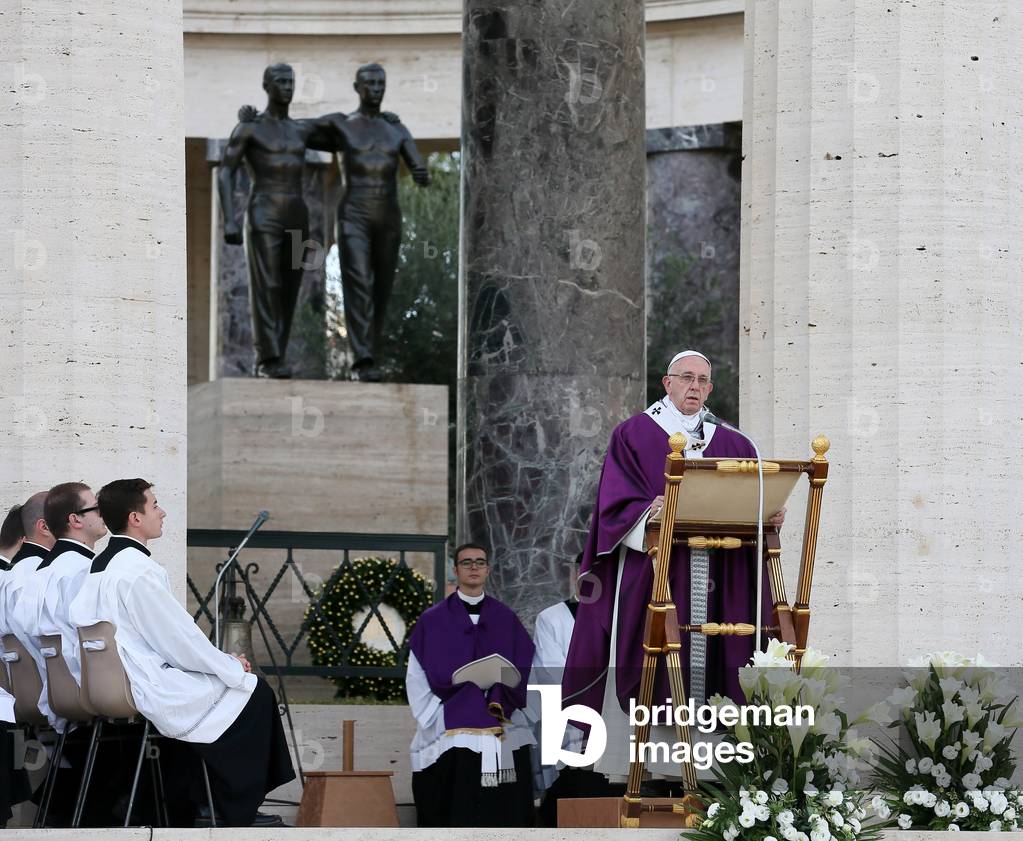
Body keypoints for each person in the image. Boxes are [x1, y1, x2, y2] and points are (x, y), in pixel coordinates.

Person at [562, 350, 785, 778]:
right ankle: (651, 775)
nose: (695, 387)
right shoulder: (634, 434)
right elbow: (613, 506)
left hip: (721, 575)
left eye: (703, 380)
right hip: (657, 573)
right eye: (686, 378)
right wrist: (650, 512)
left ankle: (711, 775)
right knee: (654, 667)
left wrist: (767, 513)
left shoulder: (736, 443)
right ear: (667, 384)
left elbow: (750, 503)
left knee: (721, 670)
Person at [68, 478, 294, 827]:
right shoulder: (138, 570)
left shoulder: (100, 567)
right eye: (154, 505)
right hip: (146, 682)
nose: (162, 512)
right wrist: (229, 665)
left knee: (229, 693)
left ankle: (195, 799)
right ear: (135, 518)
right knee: (254, 692)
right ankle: (225, 806)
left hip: (112, 683)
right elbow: (179, 641)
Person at [406, 542, 535, 827]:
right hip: (449, 717)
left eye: (480, 562)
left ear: (488, 569)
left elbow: (525, 665)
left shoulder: (506, 618)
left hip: (501, 714)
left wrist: (506, 694)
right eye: (467, 562)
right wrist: (435, 713)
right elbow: (416, 672)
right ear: (455, 570)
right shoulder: (433, 620)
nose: (474, 567)